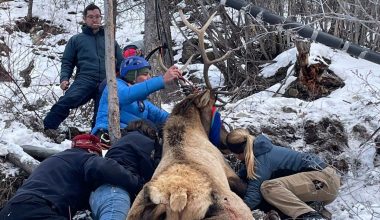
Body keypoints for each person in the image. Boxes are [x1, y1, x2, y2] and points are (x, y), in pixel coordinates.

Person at [0, 134, 143, 220]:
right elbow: (102, 167)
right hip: (40, 209)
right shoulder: (83, 157)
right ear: (91, 150)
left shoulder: (56, 160)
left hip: (10, 209)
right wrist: (136, 183)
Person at [43, 3, 124, 136]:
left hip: (106, 81)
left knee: (102, 113)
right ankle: (48, 128)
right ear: (85, 19)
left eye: (97, 16)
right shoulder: (76, 40)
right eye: (91, 17)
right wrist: (64, 78)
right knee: (67, 100)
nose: (95, 19)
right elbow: (67, 62)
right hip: (85, 79)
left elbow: (121, 63)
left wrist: (125, 79)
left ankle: (96, 138)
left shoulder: (110, 40)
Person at [226, 128, 340, 220]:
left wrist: (237, 210)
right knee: (272, 194)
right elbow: (242, 177)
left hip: (323, 179)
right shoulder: (259, 152)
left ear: (237, 153)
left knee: (268, 187)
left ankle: (310, 216)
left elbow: (254, 196)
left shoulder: (261, 160)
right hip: (321, 184)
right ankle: (313, 207)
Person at [91, 55, 182, 138]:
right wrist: (162, 80)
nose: (149, 78)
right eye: (145, 74)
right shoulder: (114, 86)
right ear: (132, 76)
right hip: (105, 134)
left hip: (129, 136)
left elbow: (164, 117)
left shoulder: (143, 103)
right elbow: (127, 95)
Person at [90, 119, 161, 220]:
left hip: (98, 194)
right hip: (116, 193)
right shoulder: (144, 141)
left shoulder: (122, 142)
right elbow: (150, 172)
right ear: (150, 130)